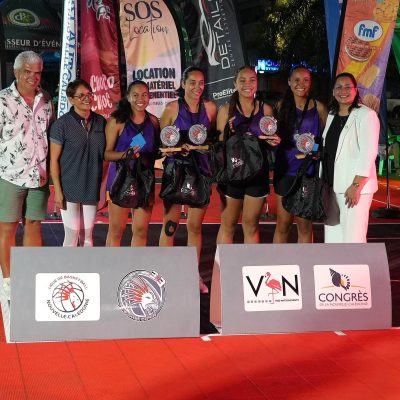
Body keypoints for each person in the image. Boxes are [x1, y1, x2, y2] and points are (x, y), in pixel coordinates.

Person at [0, 51, 54, 299]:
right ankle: (9, 281)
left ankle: (31, 276)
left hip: (39, 176)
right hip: (9, 175)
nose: (33, 77)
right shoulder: (3, 100)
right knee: (7, 229)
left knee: (34, 225)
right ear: (16, 72)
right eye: (27, 72)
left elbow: (48, 135)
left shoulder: (47, 100)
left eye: (38, 72)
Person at [158, 66, 217, 293]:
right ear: (183, 84)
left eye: (201, 83)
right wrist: (175, 147)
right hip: (176, 171)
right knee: (170, 226)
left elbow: (215, 138)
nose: (197, 87)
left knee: (194, 226)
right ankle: (164, 275)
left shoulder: (210, 108)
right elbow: (161, 142)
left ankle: (194, 276)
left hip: (201, 171)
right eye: (192, 82)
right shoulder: (172, 108)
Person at [216, 66, 281, 245]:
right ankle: (220, 264)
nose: (248, 84)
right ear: (235, 83)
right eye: (242, 80)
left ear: (257, 82)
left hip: (257, 174)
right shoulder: (225, 110)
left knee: (251, 226)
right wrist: (230, 134)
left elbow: (270, 140)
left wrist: (274, 142)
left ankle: (248, 263)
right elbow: (219, 147)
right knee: (228, 225)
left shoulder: (266, 109)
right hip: (233, 174)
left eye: (252, 80)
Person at [322, 72, 379, 243]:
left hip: (353, 188)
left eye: (348, 87)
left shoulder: (366, 115)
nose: (343, 91)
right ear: (333, 91)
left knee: (353, 239)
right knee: (332, 238)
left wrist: (356, 186)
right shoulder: (332, 115)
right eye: (339, 87)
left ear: (356, 90)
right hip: (331, 185)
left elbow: (368, 153)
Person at [273, 65, 327, 243]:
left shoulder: (319, 108)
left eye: (305, 80)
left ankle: (304, 260)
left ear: (310, 83)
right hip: (285, 171)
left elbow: (323, 138)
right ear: (289, 82)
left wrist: (314, 150)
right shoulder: (280, 106)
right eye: (296, 80)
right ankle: (278, 260)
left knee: (304, 226)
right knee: (283, 224)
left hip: (308, 173)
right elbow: (270, 135)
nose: (301, 84)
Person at [50, 79, 106, 246]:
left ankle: (86, 264)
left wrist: (102, 184)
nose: (87, 98)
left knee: (88, 237)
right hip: (69, 188)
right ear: (71, 99)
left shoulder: (101, 122)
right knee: (71, 237)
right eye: (81, 95)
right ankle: (69, 265)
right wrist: (58, 192)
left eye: (89, 94)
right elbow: (54, 161)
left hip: (92, 187)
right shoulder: (61, 125)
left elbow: (107, 155)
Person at [105, 80, 160, 246]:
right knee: (116, 230)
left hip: (145, 180)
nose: (140, 99)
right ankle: (110, 263)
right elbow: (106, 154)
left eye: (144, 95)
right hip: (120, 179)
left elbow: (156, 151)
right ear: (128, 97)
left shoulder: (154, 121)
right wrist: (126, 155)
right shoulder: (117, 120)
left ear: (149, 97)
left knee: (141, 230)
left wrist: (171, 151)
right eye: (135, 95)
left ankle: (136, 263)